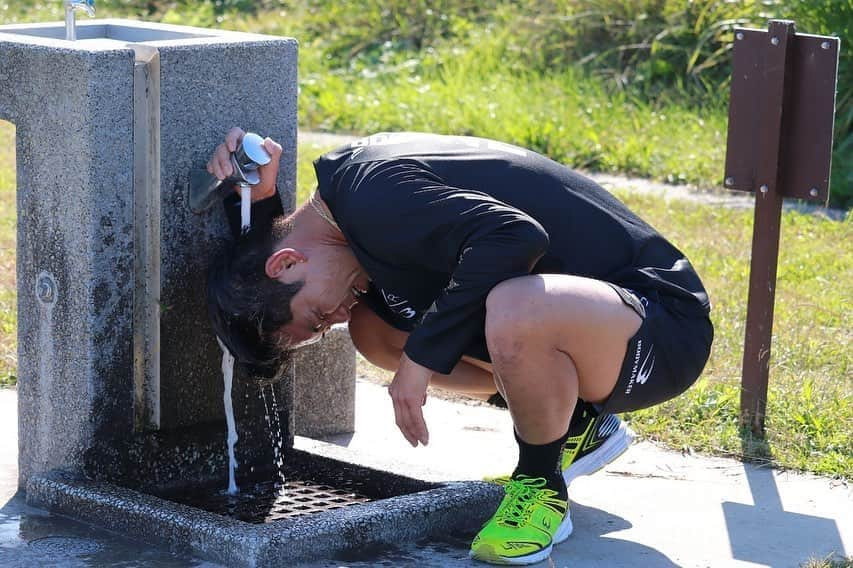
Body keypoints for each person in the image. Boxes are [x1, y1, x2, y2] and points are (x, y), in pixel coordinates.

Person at [206, 128, 713, 565]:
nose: (335, 317)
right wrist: (255, 203)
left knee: (514, 308)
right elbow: (278, 259)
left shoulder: (373, 199)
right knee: (376, 332)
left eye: (318, 316)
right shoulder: (347, 213)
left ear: (287, 263)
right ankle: (578, 423)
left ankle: (540, 489)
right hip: (596, 327)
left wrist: (422, 360)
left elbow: (515, 238)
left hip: (660, 325)